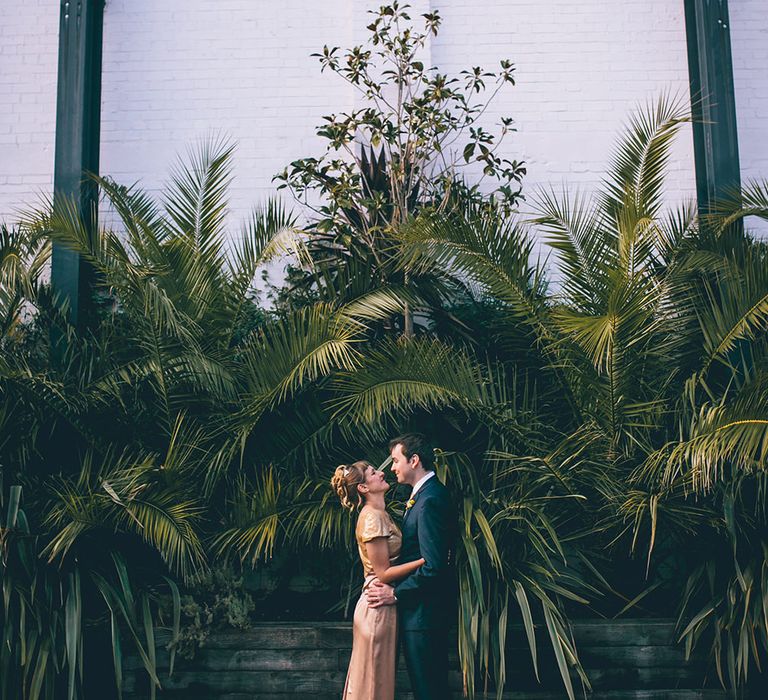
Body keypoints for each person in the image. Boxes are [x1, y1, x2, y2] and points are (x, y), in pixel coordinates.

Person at [367, 433, 457, 700]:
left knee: (429, 691)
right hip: (422, 615)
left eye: (396, 460)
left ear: (414, 460)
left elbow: (434, 566)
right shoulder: (424, 496)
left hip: (425, 616)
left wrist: (394, 593)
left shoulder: (429, 500)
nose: (392, 467)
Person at [331, 460, 426, 700]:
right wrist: (425, 561)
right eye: (374, 473)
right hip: (377, 606)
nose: (382, 473)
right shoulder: (372, 517)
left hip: (383, 603)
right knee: (372, 683)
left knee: (377, 681)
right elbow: (382, 573)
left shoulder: (379, 514)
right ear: (363, 488)